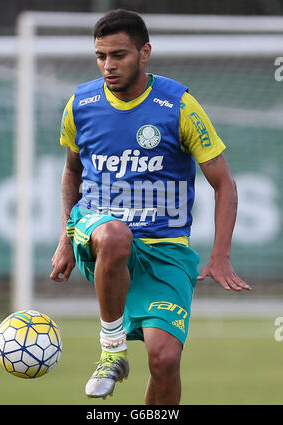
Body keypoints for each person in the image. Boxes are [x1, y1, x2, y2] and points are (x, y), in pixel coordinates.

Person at [50, 9, 251, 405]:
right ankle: (112, 352)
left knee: (164, 360)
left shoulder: (179, 105)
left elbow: (223, 182)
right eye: (101, 56)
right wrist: (64, 239)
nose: (108, 65)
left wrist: (220, 254)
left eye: (119, 55)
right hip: (99, 231)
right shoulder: (80, 103)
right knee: (114, 234)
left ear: (145, 52)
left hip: (165, 248)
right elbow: (71, 173)